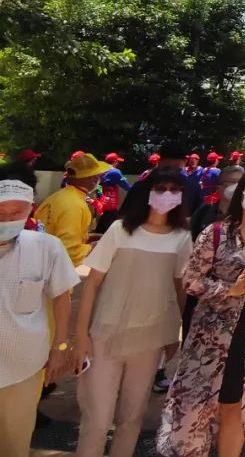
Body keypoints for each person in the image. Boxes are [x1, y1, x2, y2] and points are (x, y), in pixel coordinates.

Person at [157, 168, 245, 457]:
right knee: (197, 403)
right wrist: (228, 290)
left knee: (234, 405)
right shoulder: (216, 233)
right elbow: (192, 279)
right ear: (241, 193)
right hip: (210, 337)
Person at [73, 169, 193, 457]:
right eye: (160, 187)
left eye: (173, 190)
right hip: (105, 335)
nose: (166, 195)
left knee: (131, 418)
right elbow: (92, 283)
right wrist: (80, 336)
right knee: (97, 421)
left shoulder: (181, 238)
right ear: (147, 191)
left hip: (149, 340)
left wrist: (173, 332)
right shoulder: (120, 230)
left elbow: (179, 290)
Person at [0, 177, 80, 457]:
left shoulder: (47, 247)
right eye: (0, 213)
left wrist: (60, 348)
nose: (7, 219)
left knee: (15, 438)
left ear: (29, 211)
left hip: (25, 362)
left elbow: (61, 297)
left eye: (16, 213)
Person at [182, 164, 245, 338]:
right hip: (201, 292)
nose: (236, 187)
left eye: (241, 183)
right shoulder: (204, 213)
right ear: (220, 187)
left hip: (236, 293)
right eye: (231, 182)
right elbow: (190, 246)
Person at [36, 152, 110, 266]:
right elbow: (69, 252)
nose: (98, 179)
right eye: (98, 175)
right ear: (93, 178)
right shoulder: (75, 205)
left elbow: (56, 234)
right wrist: (93, 247)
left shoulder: (57, 197)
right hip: (53, 274)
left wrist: (87, 238)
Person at [96, 153, 131, 234]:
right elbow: (126, 186)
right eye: (118, 162)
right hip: (110, 203)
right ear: (115, 162)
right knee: (107, 226)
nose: (118, 163)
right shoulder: (115, 172)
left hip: (101, 202)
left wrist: (99, 197)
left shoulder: (100, 170)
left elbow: (98, 185)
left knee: (104, 223)